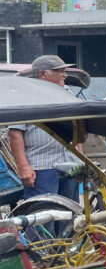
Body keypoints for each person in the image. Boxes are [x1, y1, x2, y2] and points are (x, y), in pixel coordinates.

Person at [8, 55, 81, 202]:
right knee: (43, 215)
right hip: (42, 167)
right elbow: (15, 133)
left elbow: (78, 129)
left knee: (70, 215)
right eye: (59, 71)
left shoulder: (67, 93)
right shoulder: (24, 98)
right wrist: (23, 168)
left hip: (70, 163)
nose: (65, 75)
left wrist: (80, 160)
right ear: (43, 74)